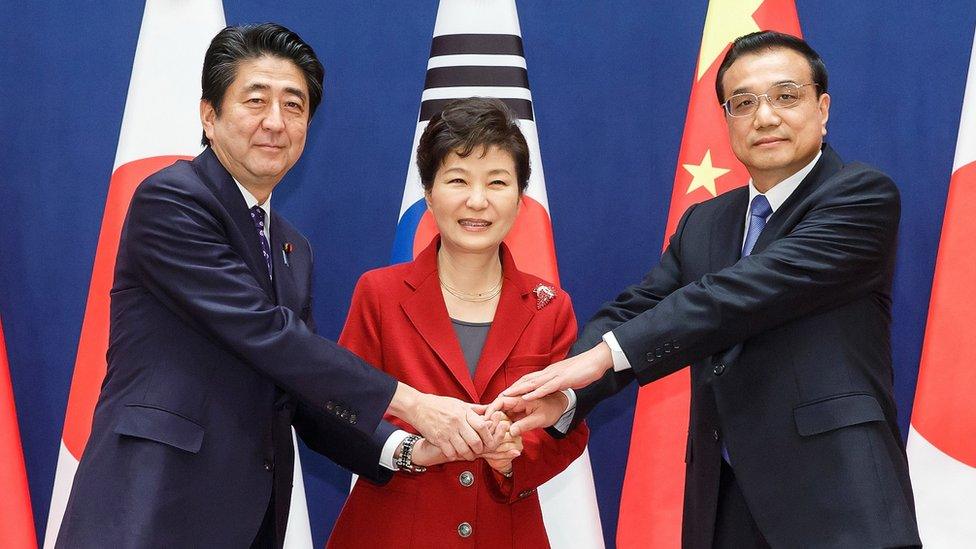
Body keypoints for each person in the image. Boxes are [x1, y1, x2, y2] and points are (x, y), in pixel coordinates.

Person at [56, 23, 496, 549]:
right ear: (209, 116)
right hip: (149, 508)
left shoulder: (292, 247)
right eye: (255, 100)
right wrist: (413, 403)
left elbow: (299, 388)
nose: (275, 122)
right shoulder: (171, 201)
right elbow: (264, 333)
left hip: (246, 522)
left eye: (294, 105)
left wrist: (404, 449)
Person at [494, 31, 921, 548]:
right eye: (744, 103)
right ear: (727, 120)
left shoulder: (860, 196)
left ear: (822, 107)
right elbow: (641, 307)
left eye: (786, 96)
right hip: (722, 505)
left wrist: (605, 357)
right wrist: (564, 393)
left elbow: (740, 294)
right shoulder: (706, 221)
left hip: (837, 504)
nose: (765, 117)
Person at [326, 98, 588, 548]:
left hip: (505, 533)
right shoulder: (379, 294)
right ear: (428, 193)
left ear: (521, 198)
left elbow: (566, 426)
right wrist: (411, 448)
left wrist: (511, 455)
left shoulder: (550, 306)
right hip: (390, 532)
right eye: (457, 180)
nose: (477, 200)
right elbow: (338, 409)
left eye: (498, 182)